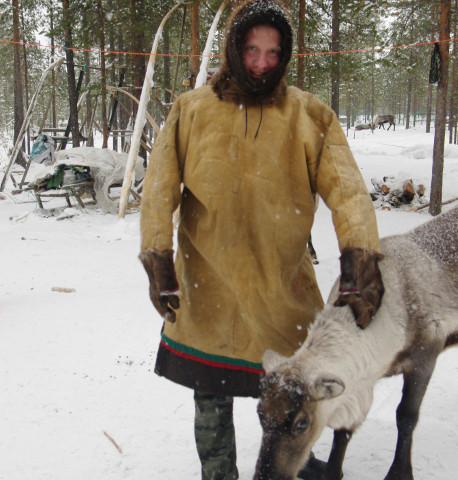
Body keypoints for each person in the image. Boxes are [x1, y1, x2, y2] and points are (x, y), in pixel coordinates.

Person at [139, 1, 384, 479]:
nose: (260, 63)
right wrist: (158, 258)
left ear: (286, 55)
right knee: (210, 392)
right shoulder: (191, 111)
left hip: (280, 284)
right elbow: (158, 190)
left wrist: (360, 258)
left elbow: (348, 191)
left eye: (273, 53)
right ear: (234, 48)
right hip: (207, 284)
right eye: (252, 49)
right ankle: (219, 474)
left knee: (295, 389)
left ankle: (296, 462)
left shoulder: (309, 115)